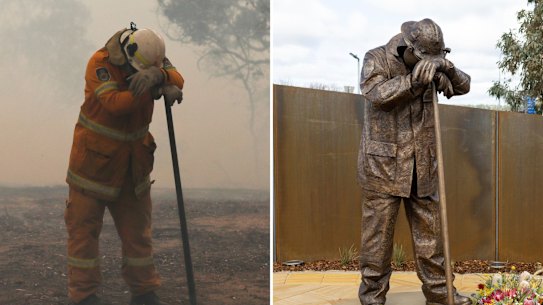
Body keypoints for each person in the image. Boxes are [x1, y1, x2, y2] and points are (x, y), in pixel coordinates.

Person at [64, 23, 184, 305]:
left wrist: (161, 75)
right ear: (128, 54)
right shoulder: (100, 63)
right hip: (92, 169)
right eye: (136, 70)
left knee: (138, 237)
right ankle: (84, 297)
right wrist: (150, 89)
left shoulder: (149, 55)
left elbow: (178, 76)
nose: (135, 74)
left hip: (134, 167)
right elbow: (114, 104)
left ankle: (144, 293)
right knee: (83, 235)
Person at [357, 18, 471, 305]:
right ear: (408, 48)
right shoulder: (377, 58)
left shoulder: (434, 64)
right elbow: (376, 95)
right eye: (425, 59)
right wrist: (413, 81)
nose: (429, 64)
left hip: (423, 166)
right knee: (378, 240)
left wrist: (445, 67)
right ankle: (372, 297)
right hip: (384, 168)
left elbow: (464, 86)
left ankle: (440, 294)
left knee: (431, 239)